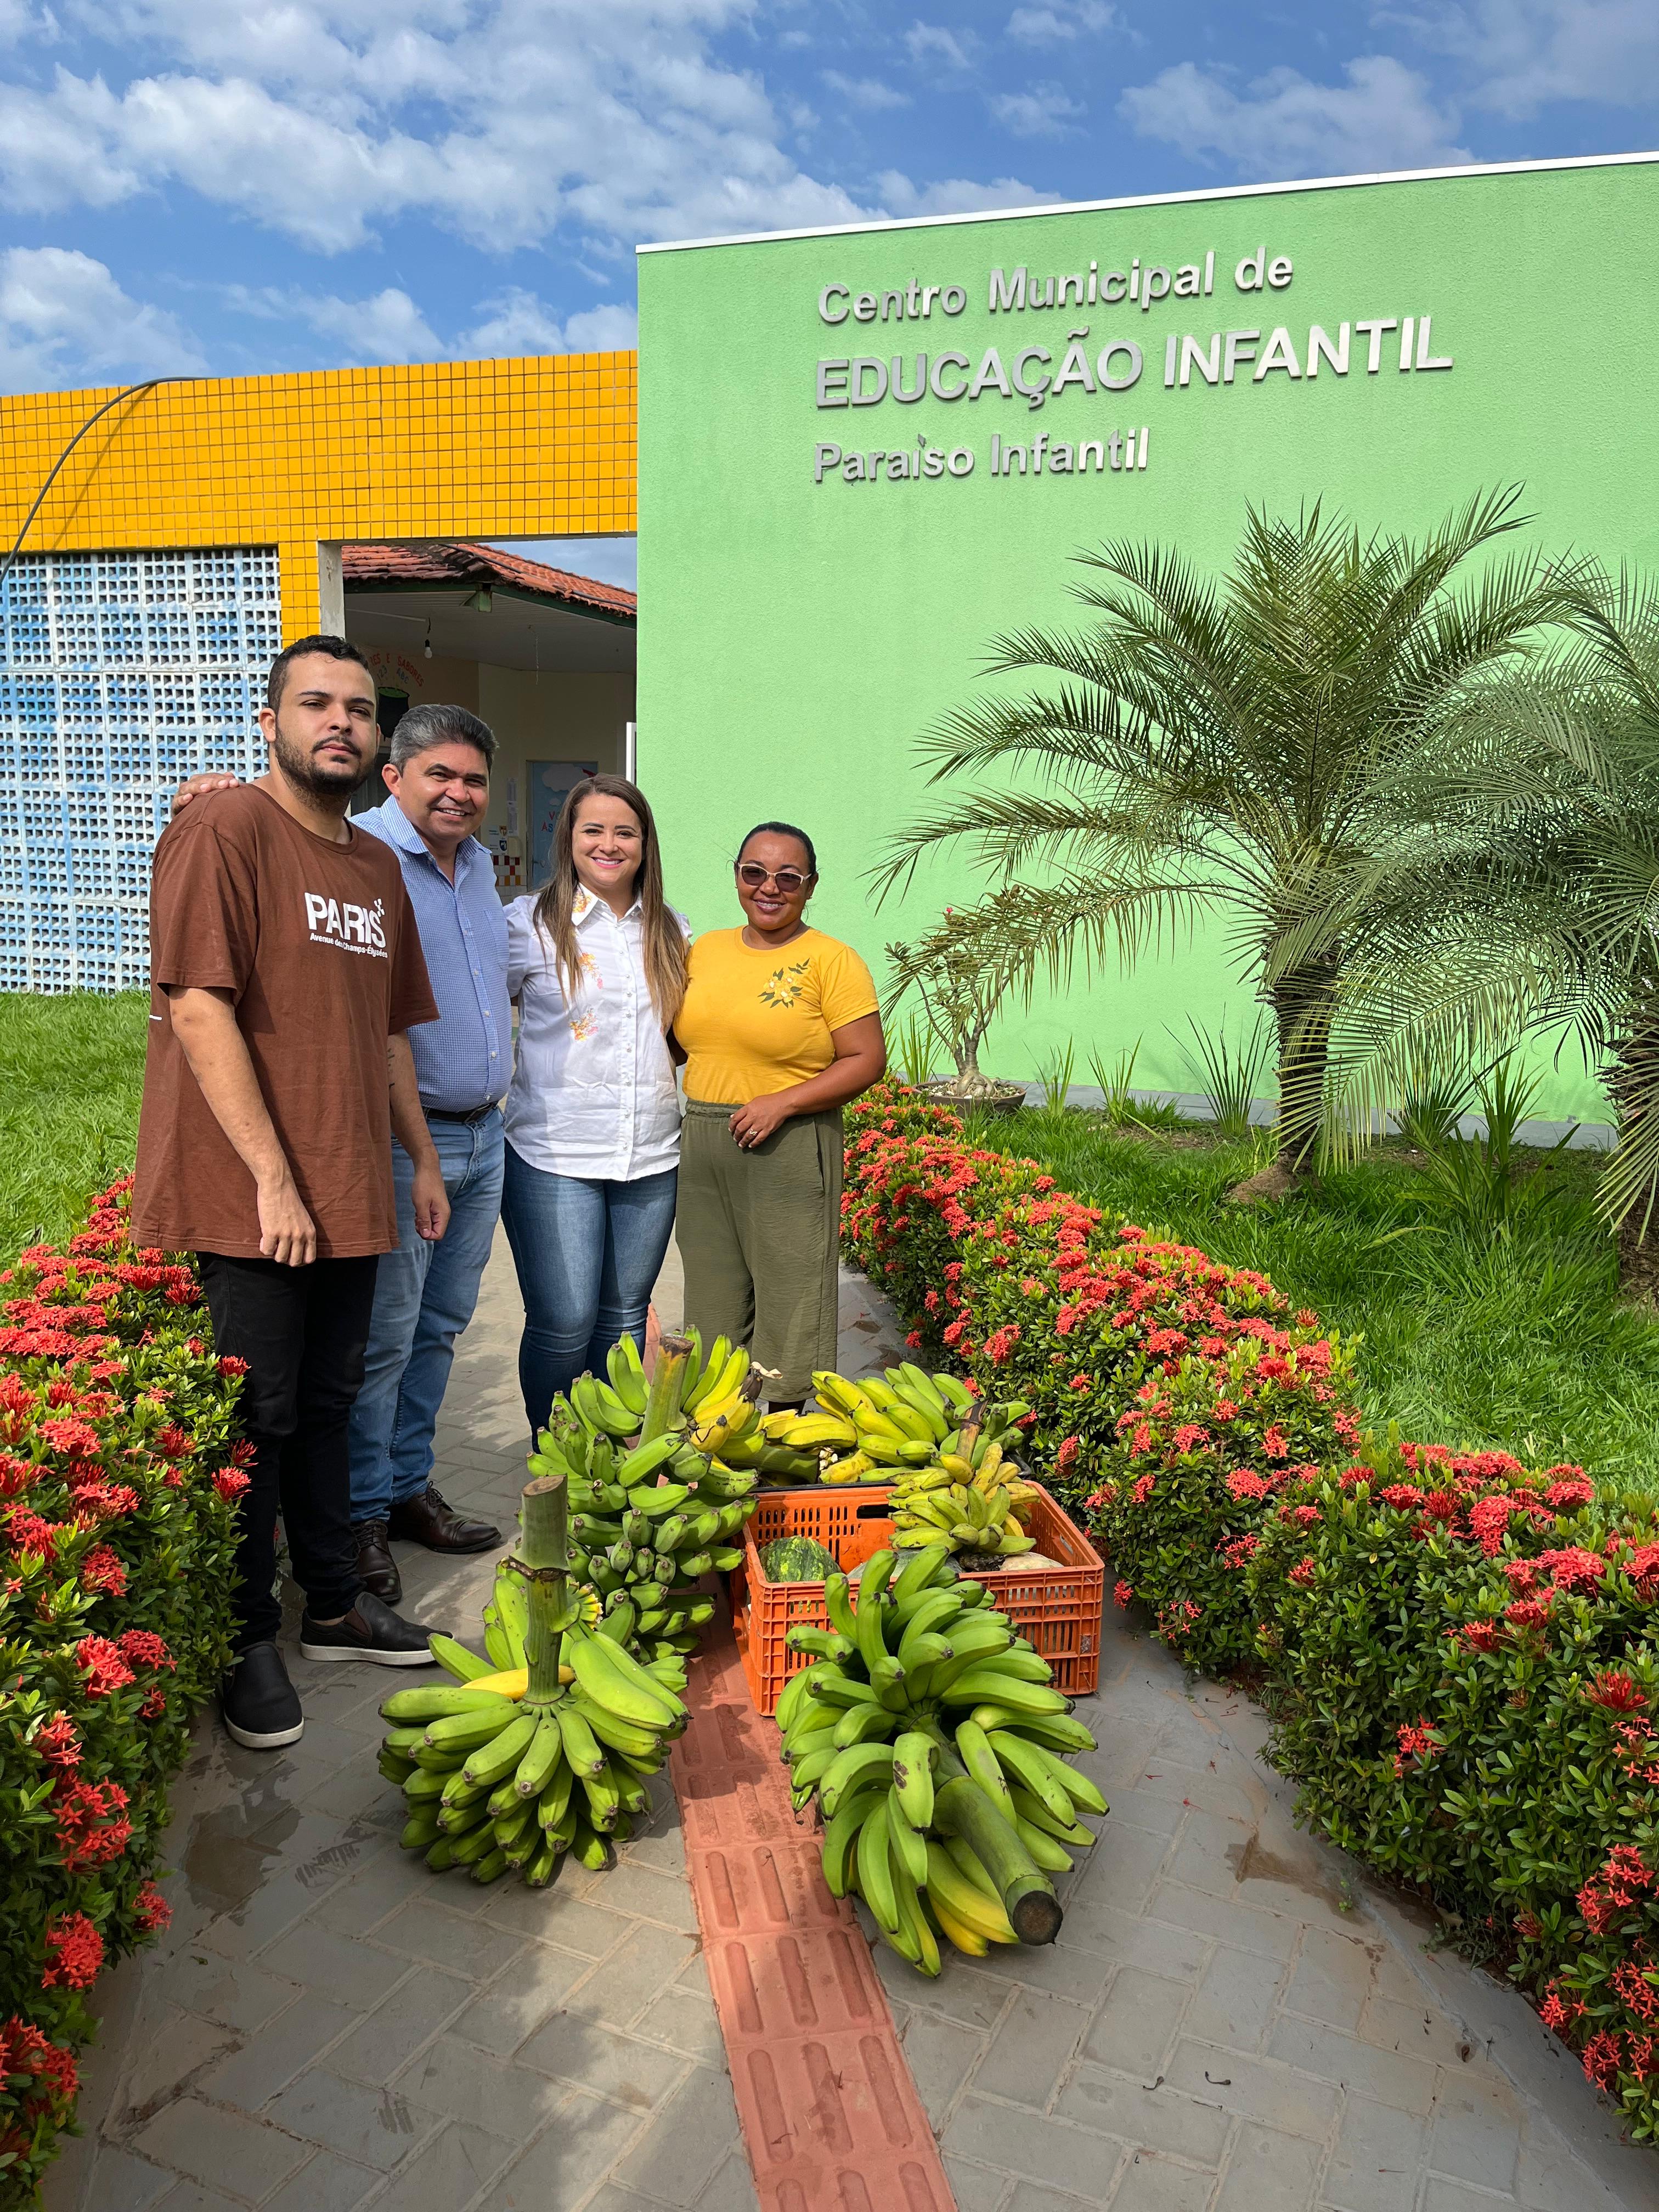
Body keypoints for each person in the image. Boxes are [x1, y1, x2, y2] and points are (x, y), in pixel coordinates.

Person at [132, 635, 449, 1753]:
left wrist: (416, 1160)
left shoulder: (375, 867)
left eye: (360, 710)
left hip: (353, 1184)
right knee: (256, 1419)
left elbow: (392, 1036)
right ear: (271, 722)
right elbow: (199, 1007)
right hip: (253, 1192)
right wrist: (274, 1176)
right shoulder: (223, 829)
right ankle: (241, 1639)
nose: (342, 724)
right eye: (316, 704)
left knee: (330, 1404)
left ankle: (333, 1601)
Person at [173, 703, 508, 1607]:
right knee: (378, 1345)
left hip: (482, 1135)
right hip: (397, 1137)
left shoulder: (481, 872)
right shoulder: (344, 853)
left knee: (437, 1331)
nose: (458, 792)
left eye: (473, 778)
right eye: (438, 773)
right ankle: (354, 1517)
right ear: (390, 777)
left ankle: (402, 1487)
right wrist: (209, 791)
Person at [670, 822, 886, 1407]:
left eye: (788, 877)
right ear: (737, 876)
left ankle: (787, 1431)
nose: (770, 887)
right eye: (754, 873)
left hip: (788, 1143)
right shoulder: (704, 950)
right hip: (703, 1144)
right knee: (713, 1295)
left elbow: (867, 1060)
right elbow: (680, 1040)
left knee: (791, 1296)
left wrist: (783, 1102)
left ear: (810, 885)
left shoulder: (831, 961)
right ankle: (719, 1431)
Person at [500, 774, 690, 1435]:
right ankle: (555, 1454)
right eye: (594, 830)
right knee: (564, 1322)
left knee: (622, 1320)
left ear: (645, 844)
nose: (609, 845)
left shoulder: (672, 929)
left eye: (625, 832)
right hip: (553, 1155)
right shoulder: (528, 923)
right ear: (569, 838)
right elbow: (463, 1001)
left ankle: (606, 1456)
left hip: (651, 1154)